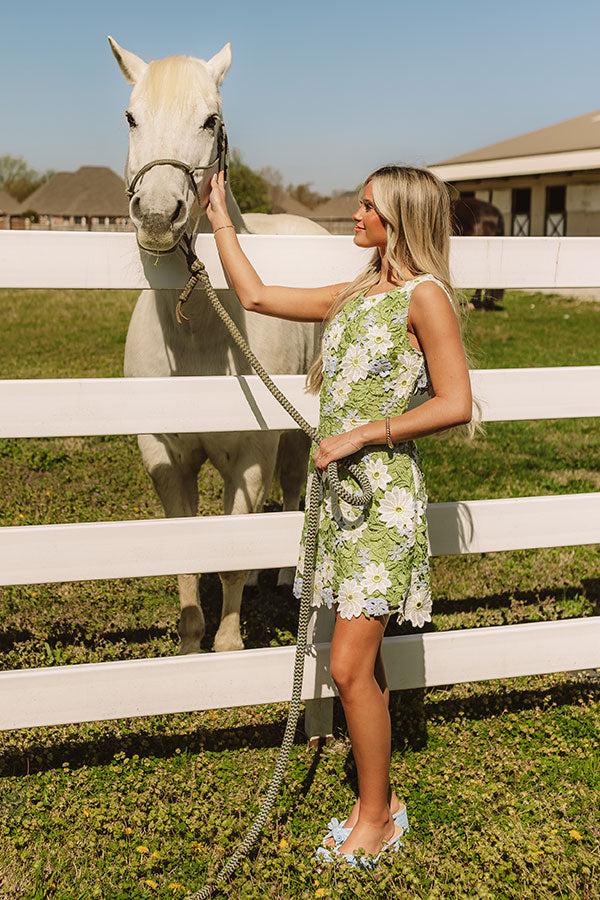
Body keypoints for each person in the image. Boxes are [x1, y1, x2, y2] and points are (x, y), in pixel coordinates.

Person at [205, 164, 473, 867]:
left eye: (366, 206)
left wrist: (360, 433)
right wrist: (220, 218)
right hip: (341, 507)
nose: (354, 215)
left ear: (400, 219)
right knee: (362, 664)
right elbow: (256, 296)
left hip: (381, 502)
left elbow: (455, 402)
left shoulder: (426, 298)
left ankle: (378, 818)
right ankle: (371, 804)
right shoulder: (359, 295)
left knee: (349, 665)